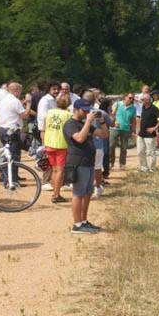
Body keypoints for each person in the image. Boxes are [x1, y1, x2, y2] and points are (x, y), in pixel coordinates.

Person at [63, 97, 101, 233]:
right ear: (76, 109)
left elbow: (103, 134)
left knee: (87, 193)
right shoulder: (70, 124)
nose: (86, 114)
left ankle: (84, 221)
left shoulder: (85, 123)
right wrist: (89, 121)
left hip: (89, 162)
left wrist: (101, 121)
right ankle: (77, 224)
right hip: (78, 163)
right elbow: (79, 138)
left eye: (88, 111)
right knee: (78, 194)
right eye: (84, 111)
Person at [0, 81, 27, 181]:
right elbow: (24, 115)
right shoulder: (15, 101)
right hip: (12, 130)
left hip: (3, 128)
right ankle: (12, 179)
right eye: (20, 91)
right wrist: (28, 104)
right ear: (16, 91)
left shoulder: (4, 99)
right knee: (14, 155)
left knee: (7, 153)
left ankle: (5, 176)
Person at [42, 92, 72, 203]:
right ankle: (56, 194)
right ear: (68, 103)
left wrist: (43, 142)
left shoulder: (49, 112)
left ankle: (55, 192)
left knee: (54, 170)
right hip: (61, 145)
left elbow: (44, 128)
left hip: (49, 143)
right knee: (60, 171)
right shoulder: (69, 115)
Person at [88, 92, 112, 195]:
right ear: (95, 101)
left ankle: (87, 187)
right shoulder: (101, 112)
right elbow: (111, 123)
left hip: (84, 144)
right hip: (98, 143)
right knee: (97, 167)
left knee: (86, 167)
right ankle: (97, 188)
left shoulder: (78, 113)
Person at [135, 92, 159, 172]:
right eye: (142, 99)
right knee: (140, 151)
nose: (141, 100)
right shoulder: (143, 107)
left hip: (149, 135)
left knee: (151, 152)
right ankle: (144, 168)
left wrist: (155, 128)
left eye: (143, 99)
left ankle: (152, 169)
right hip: (141, 134)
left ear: (148, 100)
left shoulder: (153, 108)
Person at [112, 93, 135, 169]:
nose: (131, 99)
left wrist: (133, 130)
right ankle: (110, 163)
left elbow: (133, 120)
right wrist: (114, 121)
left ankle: (122, 164)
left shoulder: (133, 108)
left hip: (126, 129)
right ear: (125, 97)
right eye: (130, 98)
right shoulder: (117, 104)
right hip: (115, 129)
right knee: (111, 146)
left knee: (124, 147)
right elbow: (111, 114)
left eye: (132, 98)